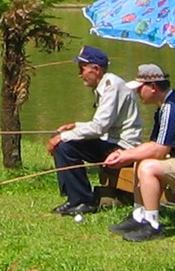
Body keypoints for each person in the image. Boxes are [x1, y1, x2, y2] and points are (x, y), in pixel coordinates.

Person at [102, 64, 175, 242]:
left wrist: (126, 155)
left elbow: (159, 150)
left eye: (140, 88)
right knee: (140, 161)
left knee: (148, 167)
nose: (137, 93)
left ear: (153, 87)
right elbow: (153, 145)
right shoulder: (165, 106)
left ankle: (153, 225)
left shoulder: (173, 107)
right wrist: (124, 153)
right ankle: (139, 215)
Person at [46, 46, 143, 217]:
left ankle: (82, 200)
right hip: (110, 142)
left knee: (64, 145)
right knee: (63, 142)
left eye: (81, 69)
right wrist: (75, 125)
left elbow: (100, 128)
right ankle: (74, 198)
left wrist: (63, 136)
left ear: (95, 69)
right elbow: (102, 124)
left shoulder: (112, 86)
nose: (79, 74)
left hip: (122, 148)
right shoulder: (106, 85)